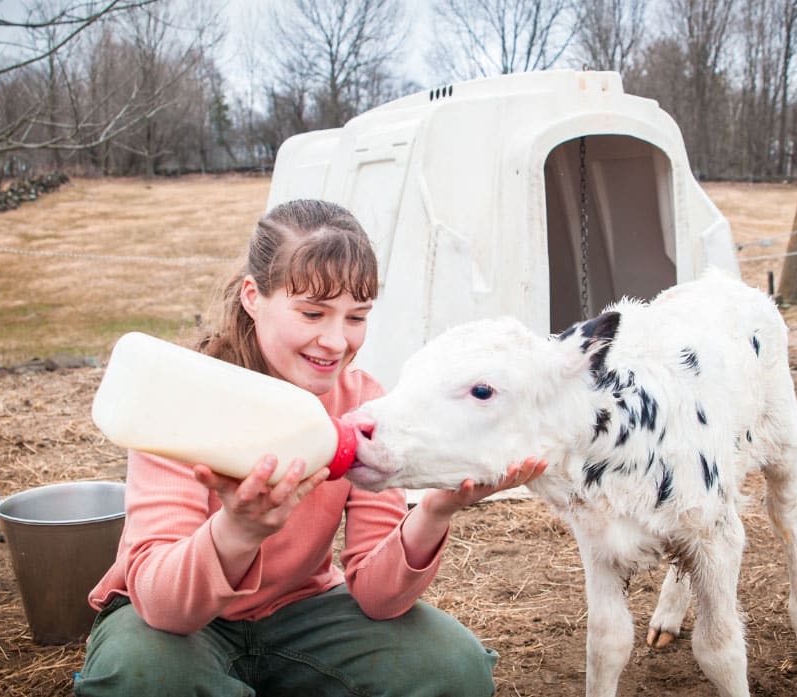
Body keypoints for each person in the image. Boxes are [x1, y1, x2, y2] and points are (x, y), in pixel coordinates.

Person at [74, 199, 546, 697]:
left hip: (302, 612)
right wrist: (237, 531)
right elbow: (164, 606)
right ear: (253, 297)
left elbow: (377, 598)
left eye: (356, 316)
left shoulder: (361, 401)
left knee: (454, 669)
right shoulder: (180, 394)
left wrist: (432, 512)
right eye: (313, 313)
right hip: (177, 626)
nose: (336, 342)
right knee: (142, 677)